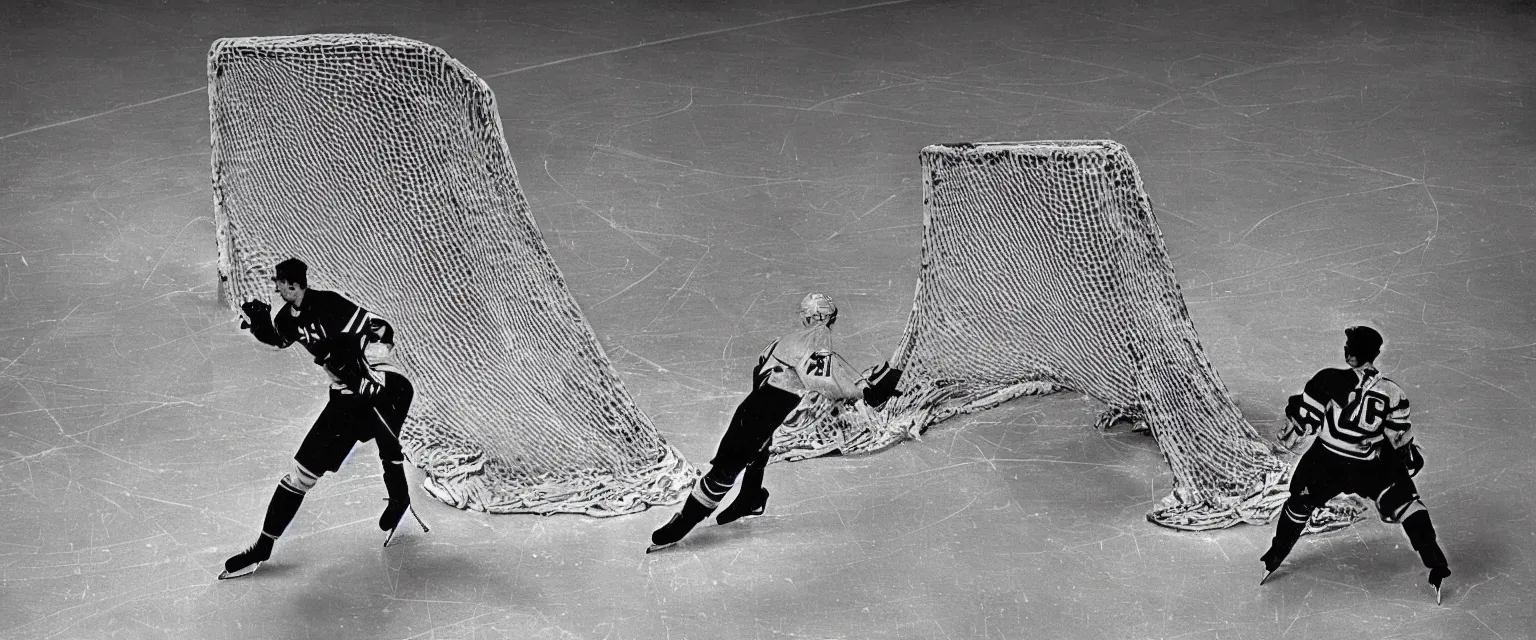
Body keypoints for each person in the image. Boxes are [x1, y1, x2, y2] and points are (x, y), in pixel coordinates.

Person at [219, 258, 426, 580]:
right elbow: (278, 339)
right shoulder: (287, 317)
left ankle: (399, 498)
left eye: (279, 283)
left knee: (387, 440)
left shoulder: (329, 303)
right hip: (345, 397)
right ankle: (263, 545)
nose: (275, 288)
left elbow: (381, 328)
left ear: (293, 285)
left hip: (384, 386)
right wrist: (259, 323)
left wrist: (362, 367)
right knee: (301, 473)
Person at [647, 293, 903, 553]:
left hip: (755, 405)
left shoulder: (786, 340)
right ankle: (692, 521)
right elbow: (821, 378)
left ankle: (748, 497)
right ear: (824, 316)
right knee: (727, 467)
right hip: (768, 407)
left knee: (751, 449)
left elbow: (766, 369)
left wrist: (856, 388)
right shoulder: (818, 335)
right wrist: (863, 393)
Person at [1262, 325, 1450, 602]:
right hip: (1369, 466)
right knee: (1408, 504)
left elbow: (1299, 435)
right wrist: (1401, 468)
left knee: (1299, 502)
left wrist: (1294, 408)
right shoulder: (1393, 392)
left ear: (1349, 354)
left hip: (1325, 462)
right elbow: (1399, 441)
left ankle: (1275, 557)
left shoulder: (1327, 379)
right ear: (1374, 354)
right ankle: (1436, 565)